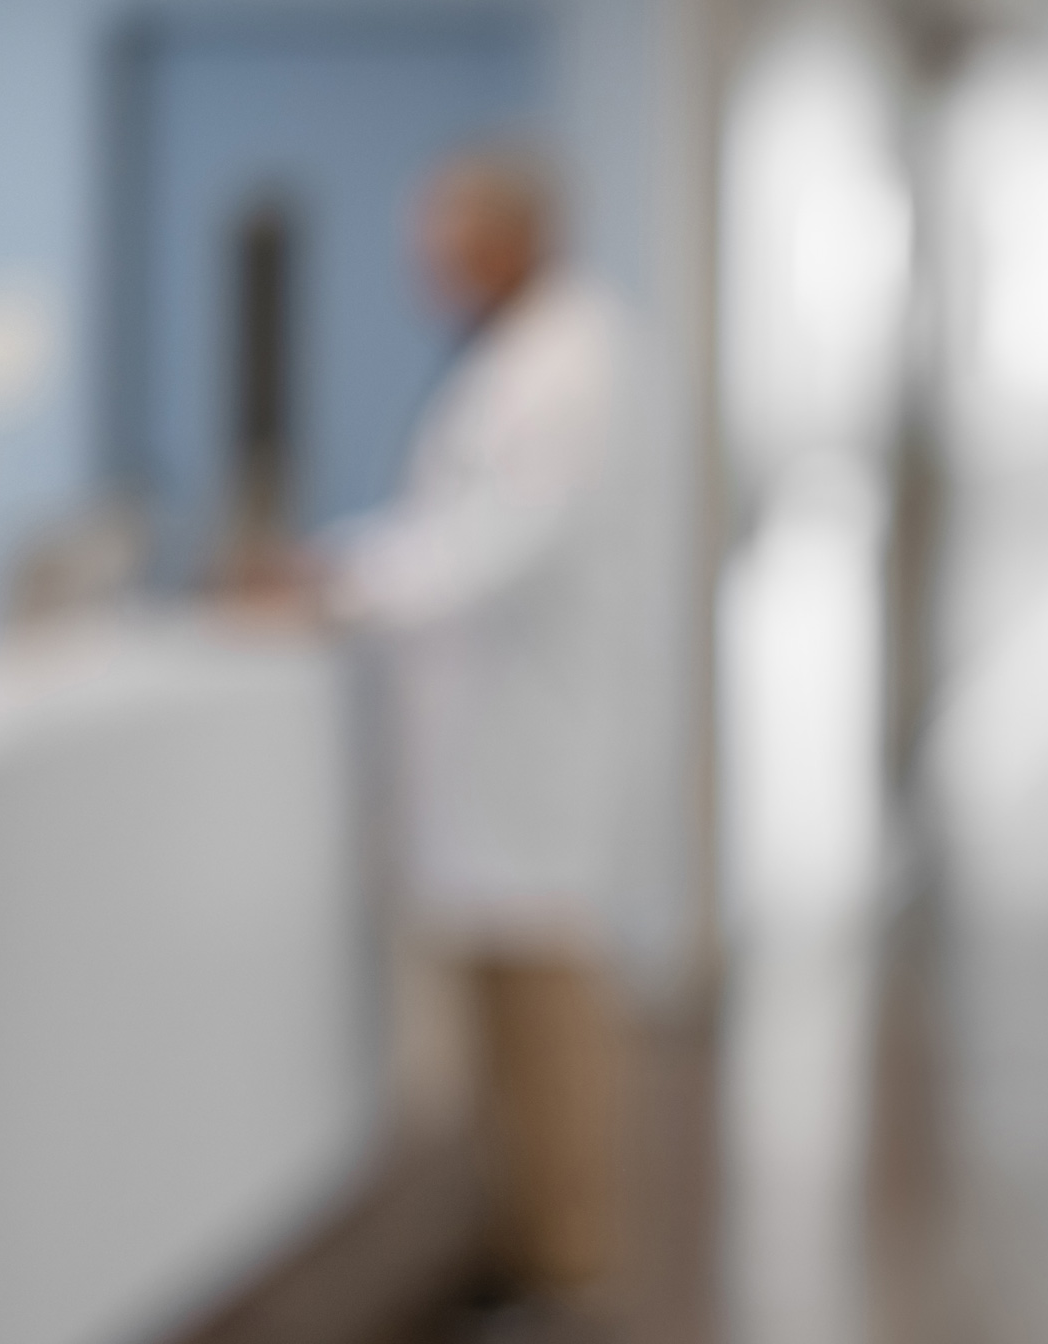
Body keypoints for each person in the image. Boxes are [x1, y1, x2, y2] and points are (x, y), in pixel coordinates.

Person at [323, 148, 678, 1328]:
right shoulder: (527, 355)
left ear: (516, 236)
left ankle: (565, 1258)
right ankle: (523, 1234)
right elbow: (458, 523)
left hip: (537, 740)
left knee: (545, 1007)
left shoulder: (569, 364)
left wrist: (343, 585)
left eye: (447, 239)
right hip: (497, 747)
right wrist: (353, 573)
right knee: (497, 1012)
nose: (426, 266)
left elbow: (496, 543)